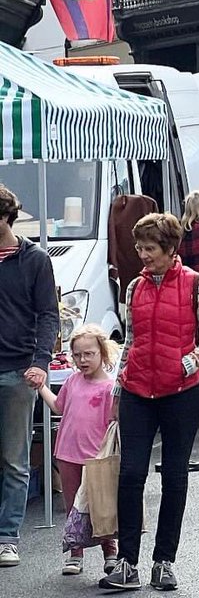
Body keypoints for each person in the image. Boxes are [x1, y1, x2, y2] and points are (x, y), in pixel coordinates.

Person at [101, 213, 199, 592]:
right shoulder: (133, 289)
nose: (142, 255)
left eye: (149, 248)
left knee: (174, 477)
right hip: (138, 392)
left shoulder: (196, 285)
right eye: (139, 248)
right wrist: (117, 391)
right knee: (130, 475)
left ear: (170, 249)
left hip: (182, 395)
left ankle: (164, 562)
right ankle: (126, 562)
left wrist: (185, 364)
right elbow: (132, 343)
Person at [0, 186, 57, 569]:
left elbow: (49, 314)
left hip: (19, 369)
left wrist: (41, 360)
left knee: (14, 459)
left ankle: (7, 538)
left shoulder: (34, 259)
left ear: (6, 217)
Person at [38, 325, 119, 575]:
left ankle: (110, 550)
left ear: (102, 353)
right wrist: (41, 387)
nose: (83, 359)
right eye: (77, 355)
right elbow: (58, 407)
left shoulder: (109, 388)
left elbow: (114, 422)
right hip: (67, 453)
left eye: (89, 354)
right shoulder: (72, 381)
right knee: (73, 505)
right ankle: (76, 553)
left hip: (96, 458)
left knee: (101, 506)